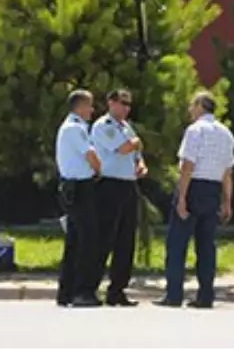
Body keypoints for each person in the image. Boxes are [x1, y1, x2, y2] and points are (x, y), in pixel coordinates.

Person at [155, 92, 234, 309]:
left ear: (200, 105)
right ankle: (206, 295)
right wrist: (227, 202)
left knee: (177, 244)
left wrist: (182, 197)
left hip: (193, 187)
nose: (190, 109)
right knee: (207, 246)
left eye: (193, 105)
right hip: (213, 189)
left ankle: (173, 295)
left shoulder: (195, 131)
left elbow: (187, 166)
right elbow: (227, 172)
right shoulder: (227, 134)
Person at [90, 88, 148, 307]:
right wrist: (135, 144)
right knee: (104, 238)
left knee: (126, 240)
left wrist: (141, 165)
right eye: (121, 103)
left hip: (128, 185)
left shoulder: (127, 127)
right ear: (110, 103)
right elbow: (125, 148)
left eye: (128, 104)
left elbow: (136, 155)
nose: (125, 108)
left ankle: (117, 290)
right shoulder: (104, 126)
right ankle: (91, 286)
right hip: (109, 185)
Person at [55, 89, 102, 307]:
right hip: (79, 188)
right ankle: (83, 291)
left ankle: (66, 291)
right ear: (80, 107)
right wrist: (98, 170)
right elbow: (91, 155)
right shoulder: (75, 128)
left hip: (73, 188)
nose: (92, 110)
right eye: (89, 105)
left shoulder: (73, 127)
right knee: (88, 241)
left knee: (74, 241)